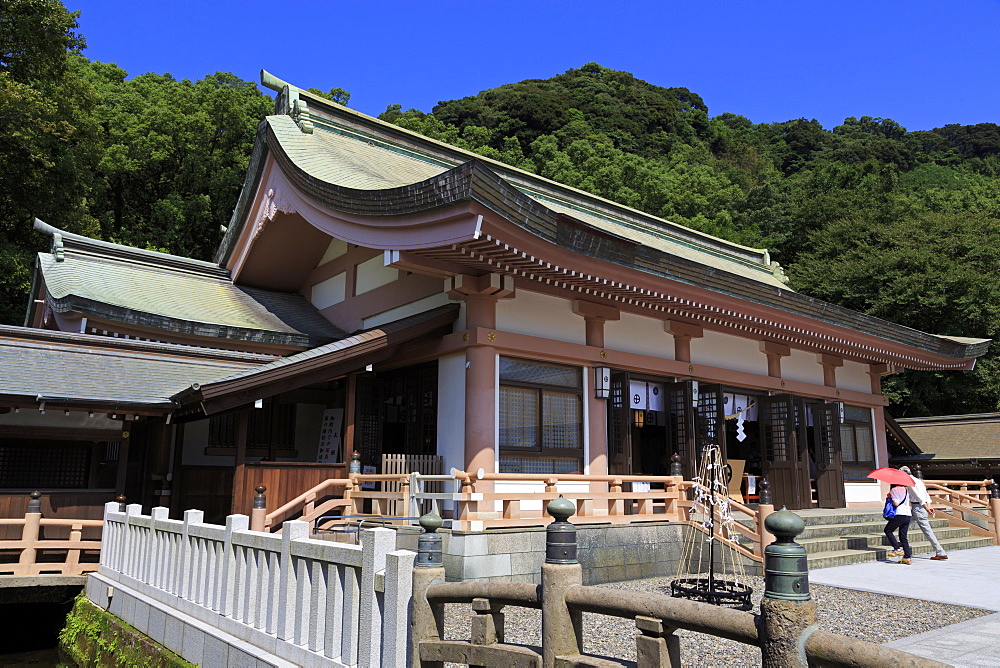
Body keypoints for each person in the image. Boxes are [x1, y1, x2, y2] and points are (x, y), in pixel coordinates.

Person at [900, 465, 948, 560]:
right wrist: (929, 507)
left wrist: (926, 508)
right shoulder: (919, 481)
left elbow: (919, 497)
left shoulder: (910, 482)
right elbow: (926, 496)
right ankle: (900, 539)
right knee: (905, 522)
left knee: (927, 530)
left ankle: (940, 551)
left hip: (919, 507)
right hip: (918, 507)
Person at [883, 483, 912, 564]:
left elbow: (896, 503)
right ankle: (907, 557)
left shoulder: (894, 490)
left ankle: (897, 549)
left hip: (899, 513)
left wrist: (890, 497)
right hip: (907, 514)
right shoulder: (907, 490)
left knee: (888, 530)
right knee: (903, 537)